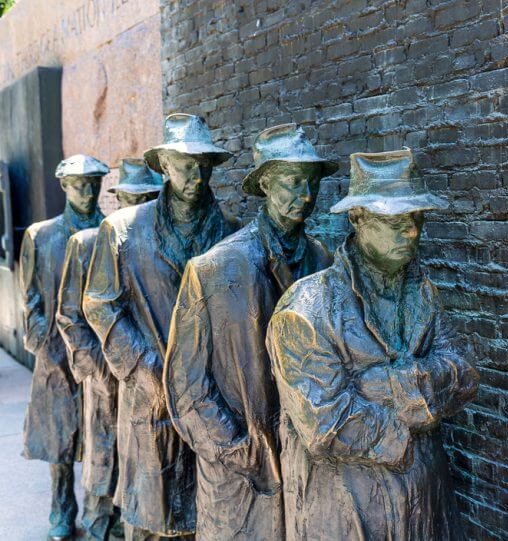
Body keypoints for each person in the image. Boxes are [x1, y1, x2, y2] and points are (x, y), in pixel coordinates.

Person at [266, 148, 479, 540]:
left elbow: (463, 375)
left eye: (415, 219)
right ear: (357, 219)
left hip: (426, 507)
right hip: (346, 512)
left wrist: (385, 384)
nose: (412, 232)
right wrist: (414, 423)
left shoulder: (424, 294)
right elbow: (325, 424)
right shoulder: (307, 308)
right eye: (394, 221)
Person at [164, 123, 338, 540]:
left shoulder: (323, 263)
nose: (307, 196)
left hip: (308, 466)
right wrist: (239, 450)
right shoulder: (215, 268)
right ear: (264, 183)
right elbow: (186, 386)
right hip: (238, 471)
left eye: (311, 182)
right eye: (293, 182)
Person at [83, 114, 234, 540]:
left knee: (206, 512)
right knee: (150, 516)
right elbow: (100, 305)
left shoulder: (231, 234)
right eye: (186, 164)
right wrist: (147, 368)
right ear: (164, 166)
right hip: (149, 394)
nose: (197, 174)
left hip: (211, 396)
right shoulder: (122, 230)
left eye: (204, 164)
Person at [57, 158, 163, 540]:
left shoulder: (156, 244)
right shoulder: (89, 241)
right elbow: (70, 315)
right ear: (118, 198)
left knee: (139, 472)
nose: (139, 205)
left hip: (143, 379)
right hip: (107, 376)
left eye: (148, 197)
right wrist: (101, 370)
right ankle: (98, 525)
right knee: (103, 465)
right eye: (132, 198)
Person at [20, 154, 108, 541]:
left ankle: (100, 510)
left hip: (101, 355)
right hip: (54, 355)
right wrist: (43, 345)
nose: (86, 192)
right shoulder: (41, 235)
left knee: (101, 437)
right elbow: (31, 301)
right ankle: (61, 508)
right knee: (59, 440)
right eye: (78, 184)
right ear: (63, 186)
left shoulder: (112, 231)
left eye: (93, 183)